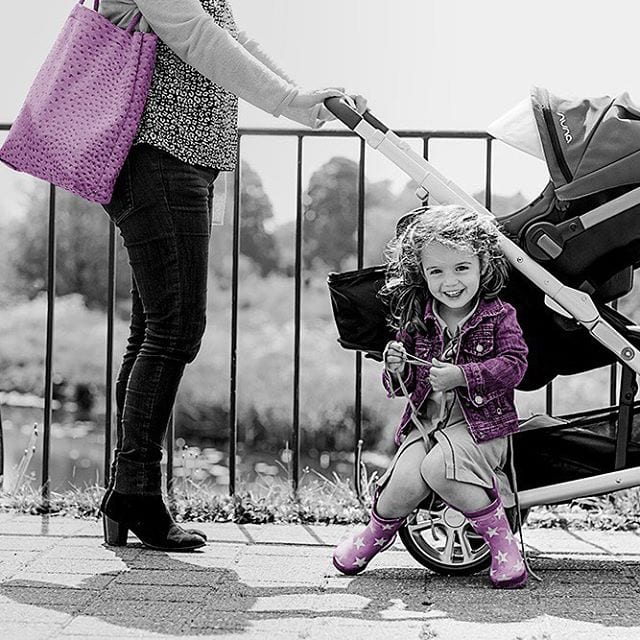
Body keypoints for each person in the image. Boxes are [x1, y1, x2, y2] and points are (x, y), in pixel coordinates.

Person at [98, 0, 366, 552]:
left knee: (153, 330)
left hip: (184, 159)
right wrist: (291, 101)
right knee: (175, 330)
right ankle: (135, 492)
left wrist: (308, 95)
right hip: (156, 154)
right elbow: (196, 36)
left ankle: (130, 491)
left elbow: (228, 33)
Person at [332, 205, 529, 589]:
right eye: (436, 271)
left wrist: (463, 375)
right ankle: (376, 533)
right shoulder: (419, 319)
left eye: (461, 268)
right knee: (403, 483)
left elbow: (515, 366)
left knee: (439, 469)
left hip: (479, 429)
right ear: (421, 273)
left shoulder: (499, 315)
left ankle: (503, 542)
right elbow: (401, 387)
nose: (449, 281)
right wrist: (396, 368)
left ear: (482, 265)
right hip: (427, 425)